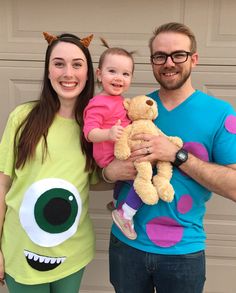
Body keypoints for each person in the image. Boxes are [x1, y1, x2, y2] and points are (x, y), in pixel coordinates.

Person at [103, 22, 236, 293]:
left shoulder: (221, 114)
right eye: (160, 56)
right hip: (126, 246)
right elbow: (97, 171)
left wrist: (177, 155)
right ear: (152, 62)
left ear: (194, 59)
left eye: (178, 55)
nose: (169, 63)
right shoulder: (133, 110)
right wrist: (110, 172)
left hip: (184, 253)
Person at [0, 31, 98, 293]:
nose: (68, 73)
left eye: (77, 64)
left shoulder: (93, 129)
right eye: (59, 64)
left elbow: (98, 179)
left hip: (72, 253)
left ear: (88, 73)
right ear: (47, 71)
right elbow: (2, 185)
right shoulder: (22, 118)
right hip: (21, 251)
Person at [83, 40, 143, 240]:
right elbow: (89, 132)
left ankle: (118, 200)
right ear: (99, 74)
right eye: (112, 72)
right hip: (109, 156)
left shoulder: (119, 101)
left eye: (125, 74)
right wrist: (108, 134)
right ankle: (125, 213)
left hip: (119, 150)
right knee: (144, 178)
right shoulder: (99, 103)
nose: (119, 78)